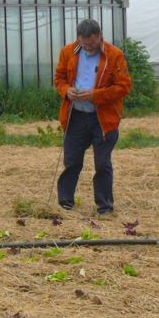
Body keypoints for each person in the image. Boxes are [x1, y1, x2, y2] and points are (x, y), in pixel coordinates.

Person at [54, 19, 132, 215]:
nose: (88, 47)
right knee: (71, 162)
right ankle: (65, 203)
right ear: (79, 39)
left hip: (103, 119)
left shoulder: (114, 55)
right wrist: (66, 90)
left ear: (99, 36)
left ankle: (104, 206)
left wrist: (96, 95)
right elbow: (59, 78)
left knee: (102, 163)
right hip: (76, 117)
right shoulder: (68, 52)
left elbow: (124, 87)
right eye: (84, 44)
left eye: (92, 44)